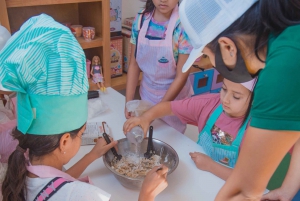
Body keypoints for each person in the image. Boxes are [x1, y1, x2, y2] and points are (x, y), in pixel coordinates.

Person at [0, 14, 168, 201]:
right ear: (64, 142)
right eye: (80, 134)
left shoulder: (24, 165)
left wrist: (92, 155)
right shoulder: (83, 196)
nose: (81, 137)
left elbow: (55, 185)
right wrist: (147, 194)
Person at [178, 0, 300, 200]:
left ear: (227, 47)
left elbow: (243, 190)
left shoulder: (284, 66)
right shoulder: (289, 37)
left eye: (209, 55)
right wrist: (288, 189)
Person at [124, 78, 256, 180]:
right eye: (224, 89)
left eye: (236, 97)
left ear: (255, 99)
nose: (225, 100)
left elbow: (248, 180)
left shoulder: (256, 129)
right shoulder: (210, 104)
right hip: (200, 175)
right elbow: (169, 107)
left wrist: (211, 166)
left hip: (231, 187)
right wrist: (146, 118)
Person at [125, 0, 193, 133]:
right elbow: (134, 65)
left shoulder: (184, 25)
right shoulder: (141, 19)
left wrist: (152, 114)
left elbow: (181, 77)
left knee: (169, 140)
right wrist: (128, 103)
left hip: (173, 103)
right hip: (146, 98)